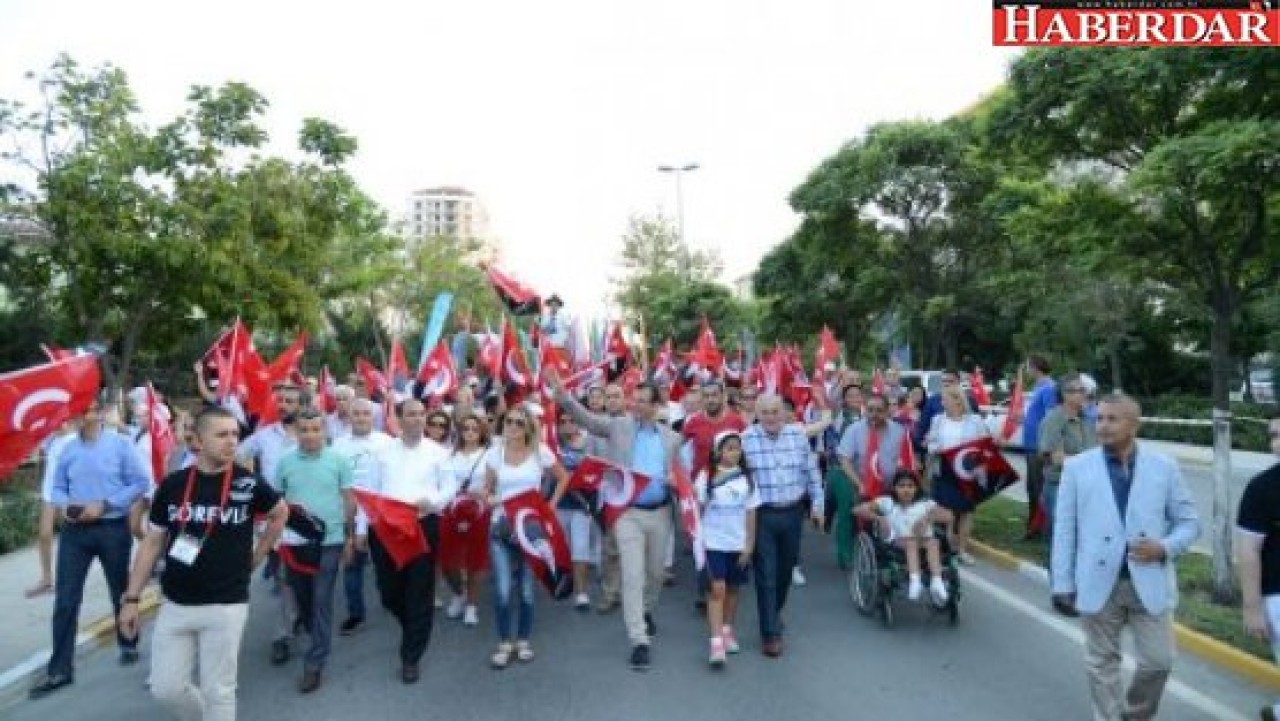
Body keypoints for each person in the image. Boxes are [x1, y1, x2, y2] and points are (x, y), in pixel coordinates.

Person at [117, 406, 289, 721]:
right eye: (222, 434)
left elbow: (280, 512)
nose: (231, 441)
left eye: (235, 434)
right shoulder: (173, 485)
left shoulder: (248, 483)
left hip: (226, 603)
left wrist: (259, 554)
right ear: (197, 440)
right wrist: (131, 598)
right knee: (165, 689)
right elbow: (152, 543)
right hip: (176, 602)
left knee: (219, 692)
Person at [1050, 394, 1199, 721]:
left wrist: (1163, 547)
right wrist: (1062, 583)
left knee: (1159, 662)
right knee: (1101, 661)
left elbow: (1190, 523)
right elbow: (1065, 529)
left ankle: (1135, 715)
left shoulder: (1164, 466)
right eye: (1099, 418)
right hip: (1097, 581)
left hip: (1149, 581)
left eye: (1112, 419)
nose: (1102, 426)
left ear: (1134, 424)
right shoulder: (1077, 467)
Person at [551, 375, 684, 671]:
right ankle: (639, 640)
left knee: (654, 573)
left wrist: (677, 482)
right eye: (633, 399)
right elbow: (587, 420)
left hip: (660, 513)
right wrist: (564, 398)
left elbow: (682, 478)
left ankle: (646, 610)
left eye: (642, 401)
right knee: (633, 574)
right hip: (627, 513)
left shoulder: (672, 438)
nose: (635, 404)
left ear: (656, 405)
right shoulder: (619, 426)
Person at [29, 398, 151, 700]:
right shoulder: (66, 449)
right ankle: (60, 669)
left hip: (112, 527)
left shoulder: (121, 445)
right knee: (66, 600)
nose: (85, 416)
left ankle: (128, 643)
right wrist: (68, 507)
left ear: (100, 413)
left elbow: (140, 481)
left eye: (90, 410)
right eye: (80, 411)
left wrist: (107, 505)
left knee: (119, 590)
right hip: (75, 533)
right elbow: (57, 488)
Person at [362, 398, 453, 683]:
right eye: (411, 414)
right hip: (386, 530)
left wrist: (435, 501)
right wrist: (363, 530)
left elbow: (449, 486)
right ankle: (412, 625)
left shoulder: (439, 453)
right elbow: (370, 492)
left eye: (421, 414)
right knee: (389, 592)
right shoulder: (383, 452)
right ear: (398, 419)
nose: (417, 419)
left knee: (419, 591)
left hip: (422, 526)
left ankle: (410, 657)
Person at [482, 405, 570, 668]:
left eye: (519, 423)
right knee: (503, 590)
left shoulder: (539, 452)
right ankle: (504, 642)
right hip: (501, 526)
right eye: (508, 421)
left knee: (528, 591)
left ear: (528, 426)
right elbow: (486, 491)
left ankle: (523, 640)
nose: (513, 426)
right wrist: (491, 499)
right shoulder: (494, 454)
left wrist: (551, 506)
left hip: (531, 529)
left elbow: (564, 478)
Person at [274, 409, 356, 693]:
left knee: (321, 598)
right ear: (296, 431)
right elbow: (277, 503)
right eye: (304, 429)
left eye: (315, 429)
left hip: (330, 541)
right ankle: (312, 631)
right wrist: (274, 537)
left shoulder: (339, 461)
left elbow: (348, 499)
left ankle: (314, 663)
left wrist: (349, 535)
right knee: (303, 597)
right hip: (295, 543)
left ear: (324, 431)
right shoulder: (284, 463)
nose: (310, 435)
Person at [741, 394, 824, 658]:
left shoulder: (797, 436)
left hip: (793, 513)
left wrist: (818, 505)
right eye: (765, 412)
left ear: (784, 413)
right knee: (766, 574)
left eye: (775, 411)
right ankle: (770, 633)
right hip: (762, 515)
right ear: (757, 414)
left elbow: (811, 471)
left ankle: (773, 612)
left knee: (785, 572)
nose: (771, 417)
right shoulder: (745, 439)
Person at [331, 399, 395, 635]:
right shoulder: (337, 446)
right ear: (349, 417)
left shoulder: (387, 443)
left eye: (366, 414)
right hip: (349, 512)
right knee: (351, 565)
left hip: (380, 514)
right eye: (356, 413)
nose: (360, 418)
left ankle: (389, 598)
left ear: (373, 417)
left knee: (384, 563)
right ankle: (356, 614)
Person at [696, 431, 759, 667]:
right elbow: (696, 509)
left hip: (738, 542)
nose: (734, 452)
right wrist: (698, 541)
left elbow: (752, 512)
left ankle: (726, 630)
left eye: (737, 448)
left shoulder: (747, 479)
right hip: (713, 542)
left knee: (733, 589)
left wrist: (749, 544)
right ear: (717, 451)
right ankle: (716, 643)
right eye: (729, 448)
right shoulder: (706, 476)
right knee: (717, 590)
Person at [1235, 410, 1280, 721]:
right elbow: (1248, 551)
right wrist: (1252, 608)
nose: (1276, 443)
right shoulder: (1262, 488)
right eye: (1273, 436)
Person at [854, 470, 953, 604]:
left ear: (916, 488)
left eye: (910, 486)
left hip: (924, 541)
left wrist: (928, 518)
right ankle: (915, 581)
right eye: (901, 486)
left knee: (934, 542)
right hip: (897, 543)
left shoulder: (925, 503)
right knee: (911, 542)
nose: (906, 490)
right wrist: (879, 518)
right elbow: (857, 510)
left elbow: (949, 516)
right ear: (894, 488)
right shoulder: (887, 502)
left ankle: (937, 581)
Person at [835, 393, 907, 568]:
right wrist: (859, 484)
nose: (874, 414)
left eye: (879, 410)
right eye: (870, 410)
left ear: (887, 411)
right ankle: (846, 555)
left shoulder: (899, 431)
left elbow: (905, 458)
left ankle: (892, 549)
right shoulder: (854, 429)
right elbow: (844, 460)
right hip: (856, 478)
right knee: (848, 510)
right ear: (865, 410)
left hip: (889, 483)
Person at [925, 385, 989, 565]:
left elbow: (984, 443)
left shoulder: (975, 421)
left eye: (945, 399)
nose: (942, 403)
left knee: (966, 511)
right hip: (945, 469)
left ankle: (962, 550)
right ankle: (946, 548)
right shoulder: (938, 420)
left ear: (958, 401)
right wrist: (938, 449)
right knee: (946, 511)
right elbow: (930, 443)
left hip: (967, 472)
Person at [441, 410, 491, 626]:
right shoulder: (449, 454)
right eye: (466, 428)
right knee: (447, 560)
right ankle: (459, 594)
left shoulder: (490, 454)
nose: (470, 432)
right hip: (451, 509)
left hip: (479, 510)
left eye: (474, 428)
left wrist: (484, 493)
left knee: (475, 560)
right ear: (459, 432)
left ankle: (472, 606)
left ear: (481, 431)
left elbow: (493, 483)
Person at [1038, 373, 1099, 548]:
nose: (1081, 394)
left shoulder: (1088, 419)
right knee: (1060, 540)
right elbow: (1056, 458)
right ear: (1063, 394)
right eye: (1075, 390)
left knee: (1080, 538)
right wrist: (1089, 462)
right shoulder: (1054, 419)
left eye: (1083, 390)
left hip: (1085, 485)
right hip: (1060, 486)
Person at [25, 420, 77, 598]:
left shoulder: (75, 439)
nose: (60, 424)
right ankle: (47, 580)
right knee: (44, 534)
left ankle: (69, 578)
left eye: (63, 421)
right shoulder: (51, 439)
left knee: (71, 536)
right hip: (50, 491)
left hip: (69, 493)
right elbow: (34, 454)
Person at [554, 412, 599, 610]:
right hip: (560, 504)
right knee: (564, 548)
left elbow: (596, 472)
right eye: (562, 422)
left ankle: (581, 593)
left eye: (571, 420)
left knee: (580, 549)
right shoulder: (552, 446)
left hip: (582, 506)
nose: (567, 424)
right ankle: (566, 579)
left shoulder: (589, 444)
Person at [1022, 354, 1060, 539]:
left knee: (1039, 488)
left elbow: (1050, 418)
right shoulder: (1038, 387)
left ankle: (1040, 528)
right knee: (1032, 487)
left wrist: (1046, 445)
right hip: (1030, 444)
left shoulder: (1049, 388)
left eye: (1027, 366)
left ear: (1035, 367)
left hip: (1038, 445)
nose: (1026, 370)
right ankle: (1033, 525)